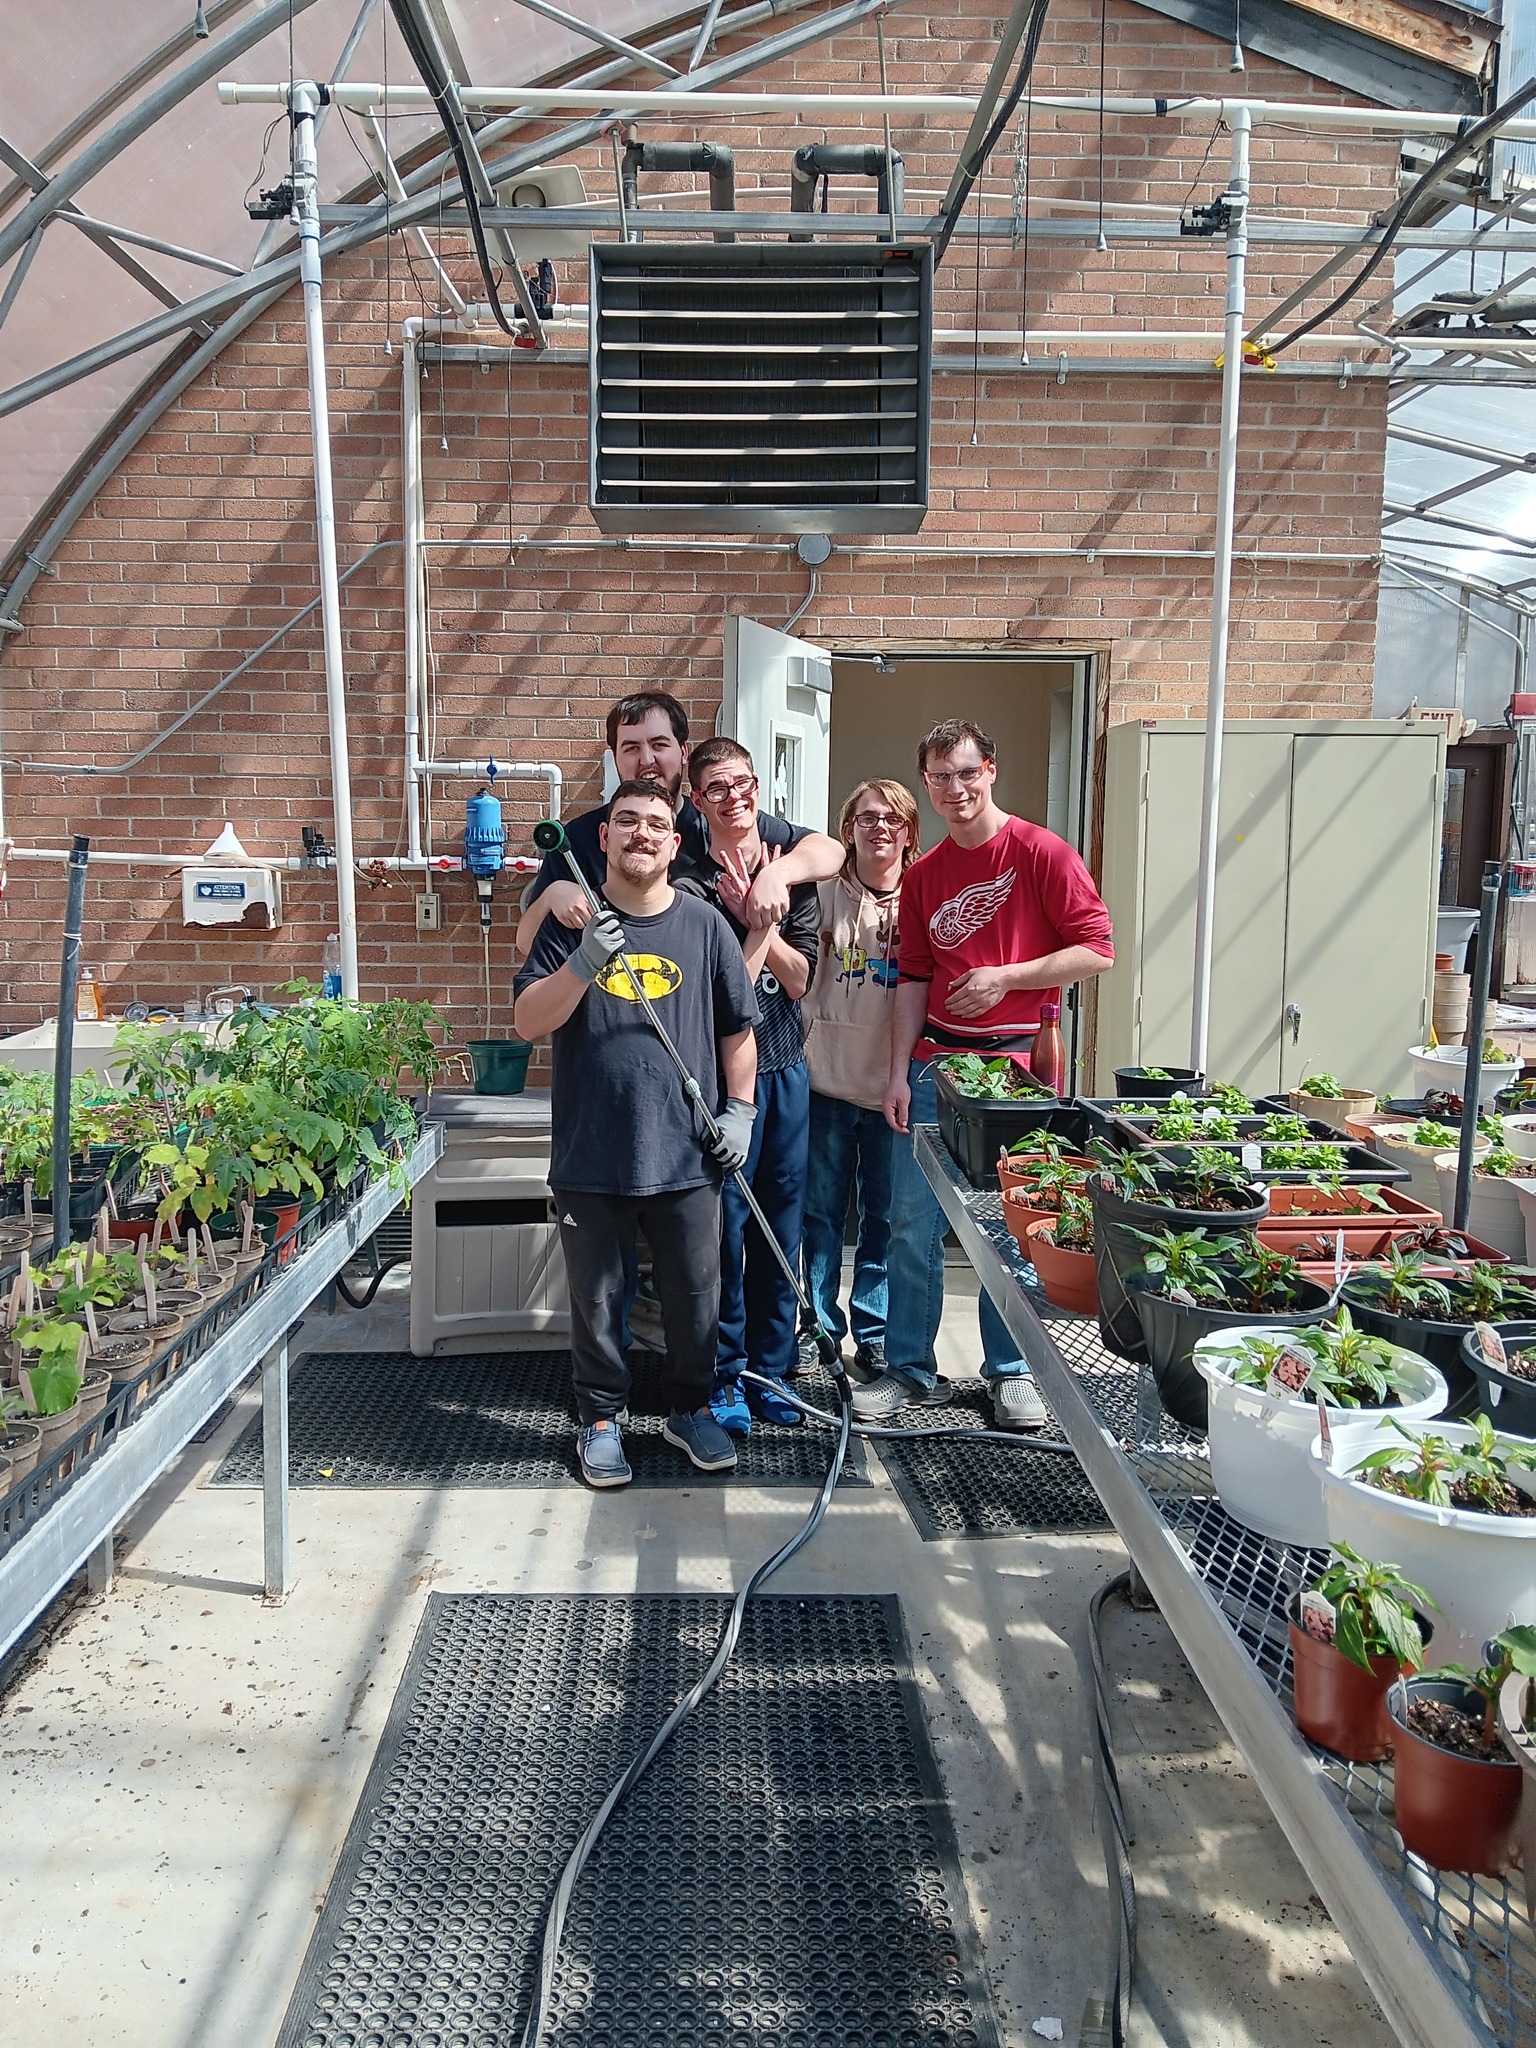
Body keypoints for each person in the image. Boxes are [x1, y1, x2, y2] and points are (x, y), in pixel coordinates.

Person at [862, 718, 1115, 1429]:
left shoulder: (1041, 852)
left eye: (966, 772)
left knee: (1013, 1225)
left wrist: (1010, 977)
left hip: (1018, 1072)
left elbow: (1097, 950)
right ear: (927, 785)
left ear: (991, 771)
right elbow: (911, 981)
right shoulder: (926, 873)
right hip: (935, 1069)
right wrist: (894, 1075)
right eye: (940, 777)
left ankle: (1013, 1373)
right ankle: (910, 1370)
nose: (955, 788)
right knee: (911, 1223)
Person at [512, 777, 762, 1489]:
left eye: (656, 823)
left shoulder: (706, 925)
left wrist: (740, 1114)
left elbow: (736, 1036)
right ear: (605, 836)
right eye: (627, 822)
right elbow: (530, 1022)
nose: (642, 833)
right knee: (596, 1300)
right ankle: (600, 1421)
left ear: (675, 843)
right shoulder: (571, 922)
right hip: (593, 1150)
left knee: (696, 1297)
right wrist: (584, 962)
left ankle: (690, 1408)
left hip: (687, 1153)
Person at [677, 737, 820, 1435]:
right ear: (696, 800)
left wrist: (769, 896)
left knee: (781, 1226)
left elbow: (802, 981)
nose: (735, 798)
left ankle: (776, 1370)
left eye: (744, 784)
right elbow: (718, 990)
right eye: (717, 789)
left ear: (759, 787)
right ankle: (725, 1375)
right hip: (724, 1084)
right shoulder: (683, 878)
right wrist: (755, 925)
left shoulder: (786, 860)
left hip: (786, 1070)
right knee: (727, 1232)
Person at [516, 690, 843, 957]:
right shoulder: (578, 839)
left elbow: (830, 851)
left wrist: (777, 873)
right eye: (631, 747)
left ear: (683, 751)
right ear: (614, 757)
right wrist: (551, 896)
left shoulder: (718, 821)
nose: (647, 760)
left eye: (659, 745)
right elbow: (527, 943)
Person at [798, 777, 920, 1377]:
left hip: (893, 1091)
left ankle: (873, 1329)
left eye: (892, 818)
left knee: (885, 1219)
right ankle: (819, 1327)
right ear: (849, 828)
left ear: (908, 831)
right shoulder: (822, 895)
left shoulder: (924, 897)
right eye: (867, 817)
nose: (879, 828)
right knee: (820, 1215)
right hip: (826, 1084)